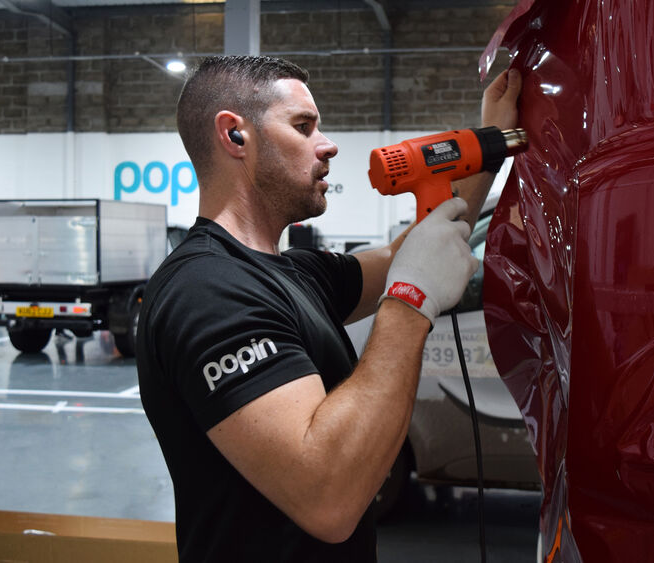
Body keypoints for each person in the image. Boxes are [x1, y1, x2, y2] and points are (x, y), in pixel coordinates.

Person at [136, 55, 521, 562]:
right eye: (303, 126)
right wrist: (410, 302)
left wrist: (487, 144)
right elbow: (327, 497)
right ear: (235, 137)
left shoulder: (293, 272)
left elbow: (402, 252)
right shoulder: (207, 289)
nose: (330, 144)